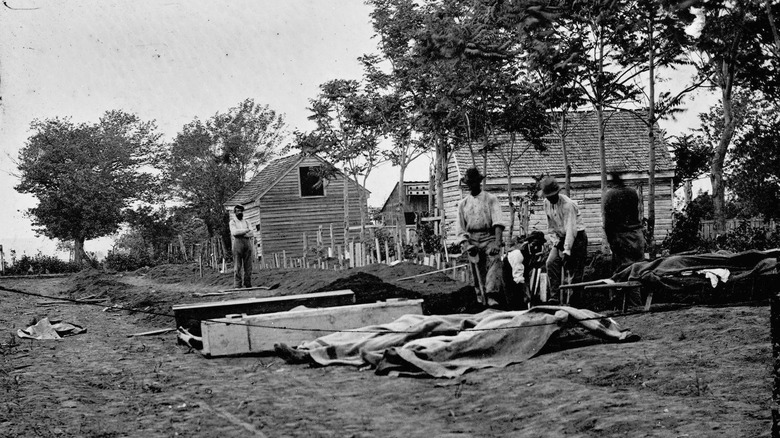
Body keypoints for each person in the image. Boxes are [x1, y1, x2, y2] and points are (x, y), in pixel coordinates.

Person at [456, 167, 505, 307]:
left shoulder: (491, 199)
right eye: (469, 184)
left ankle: (491, 295)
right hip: (472, 238)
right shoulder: (463, 204)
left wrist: (497, 243)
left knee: (495, 259)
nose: (471, 186)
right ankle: (479, 295)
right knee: (475, 264)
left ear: (479, 182)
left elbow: (498, 223)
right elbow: (460, 229)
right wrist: (466, 244)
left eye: (474, 183)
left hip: (488, 237)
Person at [539, 176, 588, 305]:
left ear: (558, 193)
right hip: (560, 238)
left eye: (553, 195)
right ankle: (554, 297)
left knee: (573, 271)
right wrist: (556, 242)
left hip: (577, 239)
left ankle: (574, 303)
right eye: (548, 196)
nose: (551, 198)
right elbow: (551, 227)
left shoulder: (568, 205)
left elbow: (571, 230)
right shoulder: (546, 204)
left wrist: (567, 251)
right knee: (551, 262)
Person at [603, 172, 645, 308]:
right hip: (637, 236)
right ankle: (631, 304)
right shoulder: (633, 193)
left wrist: (612, 242)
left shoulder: (610, 196)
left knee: (625, 271)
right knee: (638, 269)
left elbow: (608, 223)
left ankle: (632, 305)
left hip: (622, 238)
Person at [229, 205, 254, 289]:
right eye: (238, 211)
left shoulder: (247, 222)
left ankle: (248, 283)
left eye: (241, 211)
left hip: (247, 242)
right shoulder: (232, 222)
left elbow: (252, 233)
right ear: (235, 212)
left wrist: (243, 232)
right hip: (237, 243)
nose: (239, 212)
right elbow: (234, 232)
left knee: (248, 265)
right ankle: (237, 284)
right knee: (237, 265)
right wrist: (245, 231)